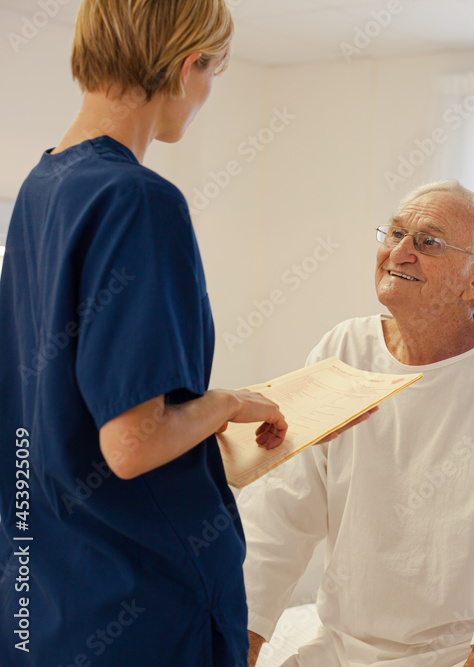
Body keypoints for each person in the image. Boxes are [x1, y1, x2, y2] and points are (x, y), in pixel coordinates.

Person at [0, 1, 350, 664]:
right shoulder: (138, 200)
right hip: (143, 599)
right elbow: (131, 444)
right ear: (190, 65)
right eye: (214, 69)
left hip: (47, 595)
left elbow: (58, 410)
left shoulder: (41, 189)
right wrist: (224, 405)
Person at [240, 181, 474, 667]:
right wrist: (241, 643)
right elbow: (278, 515)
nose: (399, 253)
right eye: (396, 233)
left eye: (429, 242)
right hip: (348, 650)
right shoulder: (343, 350)